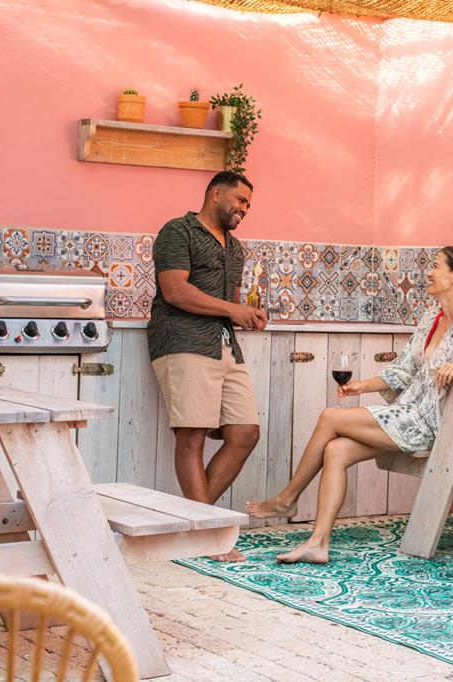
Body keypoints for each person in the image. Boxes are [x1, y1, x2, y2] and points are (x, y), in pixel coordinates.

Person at [245, 244, 453, 564]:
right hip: (408, 414)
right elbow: (403, 370)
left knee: (329, 417)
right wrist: (361, 387)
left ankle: (286, 499)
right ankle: (318, 543)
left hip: (433, 424)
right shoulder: (431, 319)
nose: (429, 272)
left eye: (436, 266)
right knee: (335, 451)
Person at [148, 170, 268, 562]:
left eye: (248, 205)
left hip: (224, 346)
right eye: (240, 200)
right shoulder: (177, 231)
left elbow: (227, 304)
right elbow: (175, 291)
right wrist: (232, 310)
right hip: (183, 341)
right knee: (192, 437)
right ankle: (207, 535)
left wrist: (245, 314)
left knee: (245, 433)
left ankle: (192, 526)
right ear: (216, 194)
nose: (244, 209)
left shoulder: (236, 250)